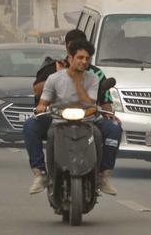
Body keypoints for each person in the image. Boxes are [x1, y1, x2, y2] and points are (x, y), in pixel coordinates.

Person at [23, 39, 121, 197]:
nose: (84, 61)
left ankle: (103, 176)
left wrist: (77, 82)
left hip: (88, 120)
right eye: (80, 58)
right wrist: (42, 107)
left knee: (114, 129)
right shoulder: (54, 78)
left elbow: (89, 103)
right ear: (70, 58)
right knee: (30, 126)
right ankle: (40, 174)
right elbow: (43, 101)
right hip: (58, 119)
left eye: (87, 58)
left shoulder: (93, 79)